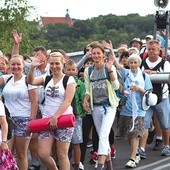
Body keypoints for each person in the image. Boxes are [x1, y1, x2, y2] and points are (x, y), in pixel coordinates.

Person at [27, 51, 76, 170]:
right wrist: (32, 67)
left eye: (57, 63)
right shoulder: (46, 78)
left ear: (62, 62)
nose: (54, 66)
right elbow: (31, 81)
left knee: (62, 154)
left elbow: (68, 101)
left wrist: (56, 117)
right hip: (47, 120)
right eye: (52, 63)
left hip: (64, 120)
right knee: (43, 153)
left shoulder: (69, 80)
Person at [112, 52, 153, 168]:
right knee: (129, 135)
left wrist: (140, 89)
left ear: (139, 64)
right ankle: (136, 153)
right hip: (126, 109)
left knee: (135, 134)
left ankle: (132, 159)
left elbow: (149, 92)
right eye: (131, 62)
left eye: (135, 62)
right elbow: (117, 65)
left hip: (139, 110)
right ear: (128, 64)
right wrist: (111, 51)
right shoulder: (126, 74)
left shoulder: (145, 76)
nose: (133, 65)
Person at [83, 43, 119, 170]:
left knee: (103, 136)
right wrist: (85, 100)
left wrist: (110, 69)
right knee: (103, 137)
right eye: (94, 53)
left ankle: (100, 165)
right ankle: (109, 166)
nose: (96, 55)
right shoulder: (89, 70)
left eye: (99, 53)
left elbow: (116, 87)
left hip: (109, 106)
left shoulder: (108, 67)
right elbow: (88, 89)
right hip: (96, 107)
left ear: (103, 55)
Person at [0, 54, 38, 170]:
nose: (15, 67)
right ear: (9, 65)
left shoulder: (28, 80)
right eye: (13, 64)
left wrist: (31, 122)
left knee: (21, 155)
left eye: (18, 64)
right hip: (8, 120)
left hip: (24, 119)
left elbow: (34, 102)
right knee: (7, 152)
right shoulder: (7, 78)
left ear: (23, 66)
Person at [139, 40, 170, 157]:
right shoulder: (142, 63)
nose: (151, 51)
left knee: (165, 124)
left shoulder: (165, 63)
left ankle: (167, 145)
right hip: (146, 98)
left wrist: (154, 73)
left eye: (153, 49)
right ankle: (141, 149)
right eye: (149, 49)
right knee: (144, 123)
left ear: (159, 51)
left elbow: (167, 77)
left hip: (162, 98)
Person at [64, 59, 86, 170]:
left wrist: (83, 110)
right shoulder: (62, 82)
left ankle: (78, 164)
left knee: (76, 142)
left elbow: (83, 98)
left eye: (73, 70)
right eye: (68, 70)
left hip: (76, 116)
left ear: (77, 70)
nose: (71, 72)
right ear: (64, 70)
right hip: (64, 115)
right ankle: (63, 163)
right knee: (64, 143)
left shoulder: (80, 84)